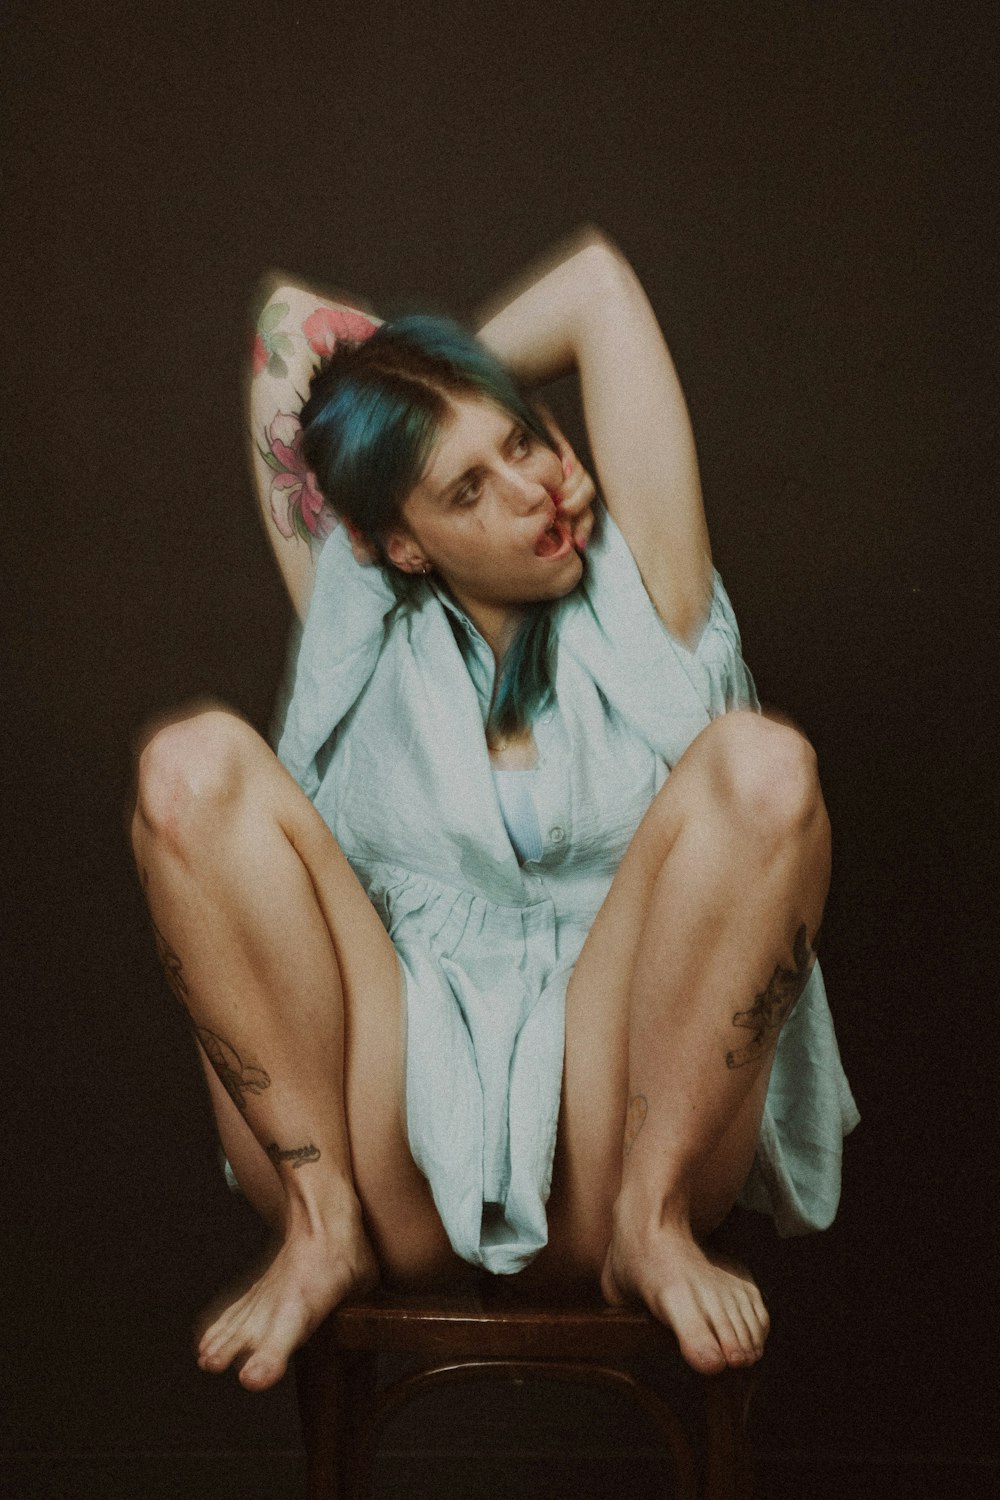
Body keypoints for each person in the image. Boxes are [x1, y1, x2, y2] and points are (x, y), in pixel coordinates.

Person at [131, 229, 858, 1394]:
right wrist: (390, 430)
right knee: (189, 765)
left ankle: (653, 1230)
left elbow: (594, 288)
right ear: (398, 543)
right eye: (468, 488)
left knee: (761, 767)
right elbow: (287, 327)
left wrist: (441, 395)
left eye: (524, 439)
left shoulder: (651, 604)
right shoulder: (354, 626)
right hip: (385, 1154)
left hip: (618, 1139)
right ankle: (316, 1232)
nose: (533, 491)